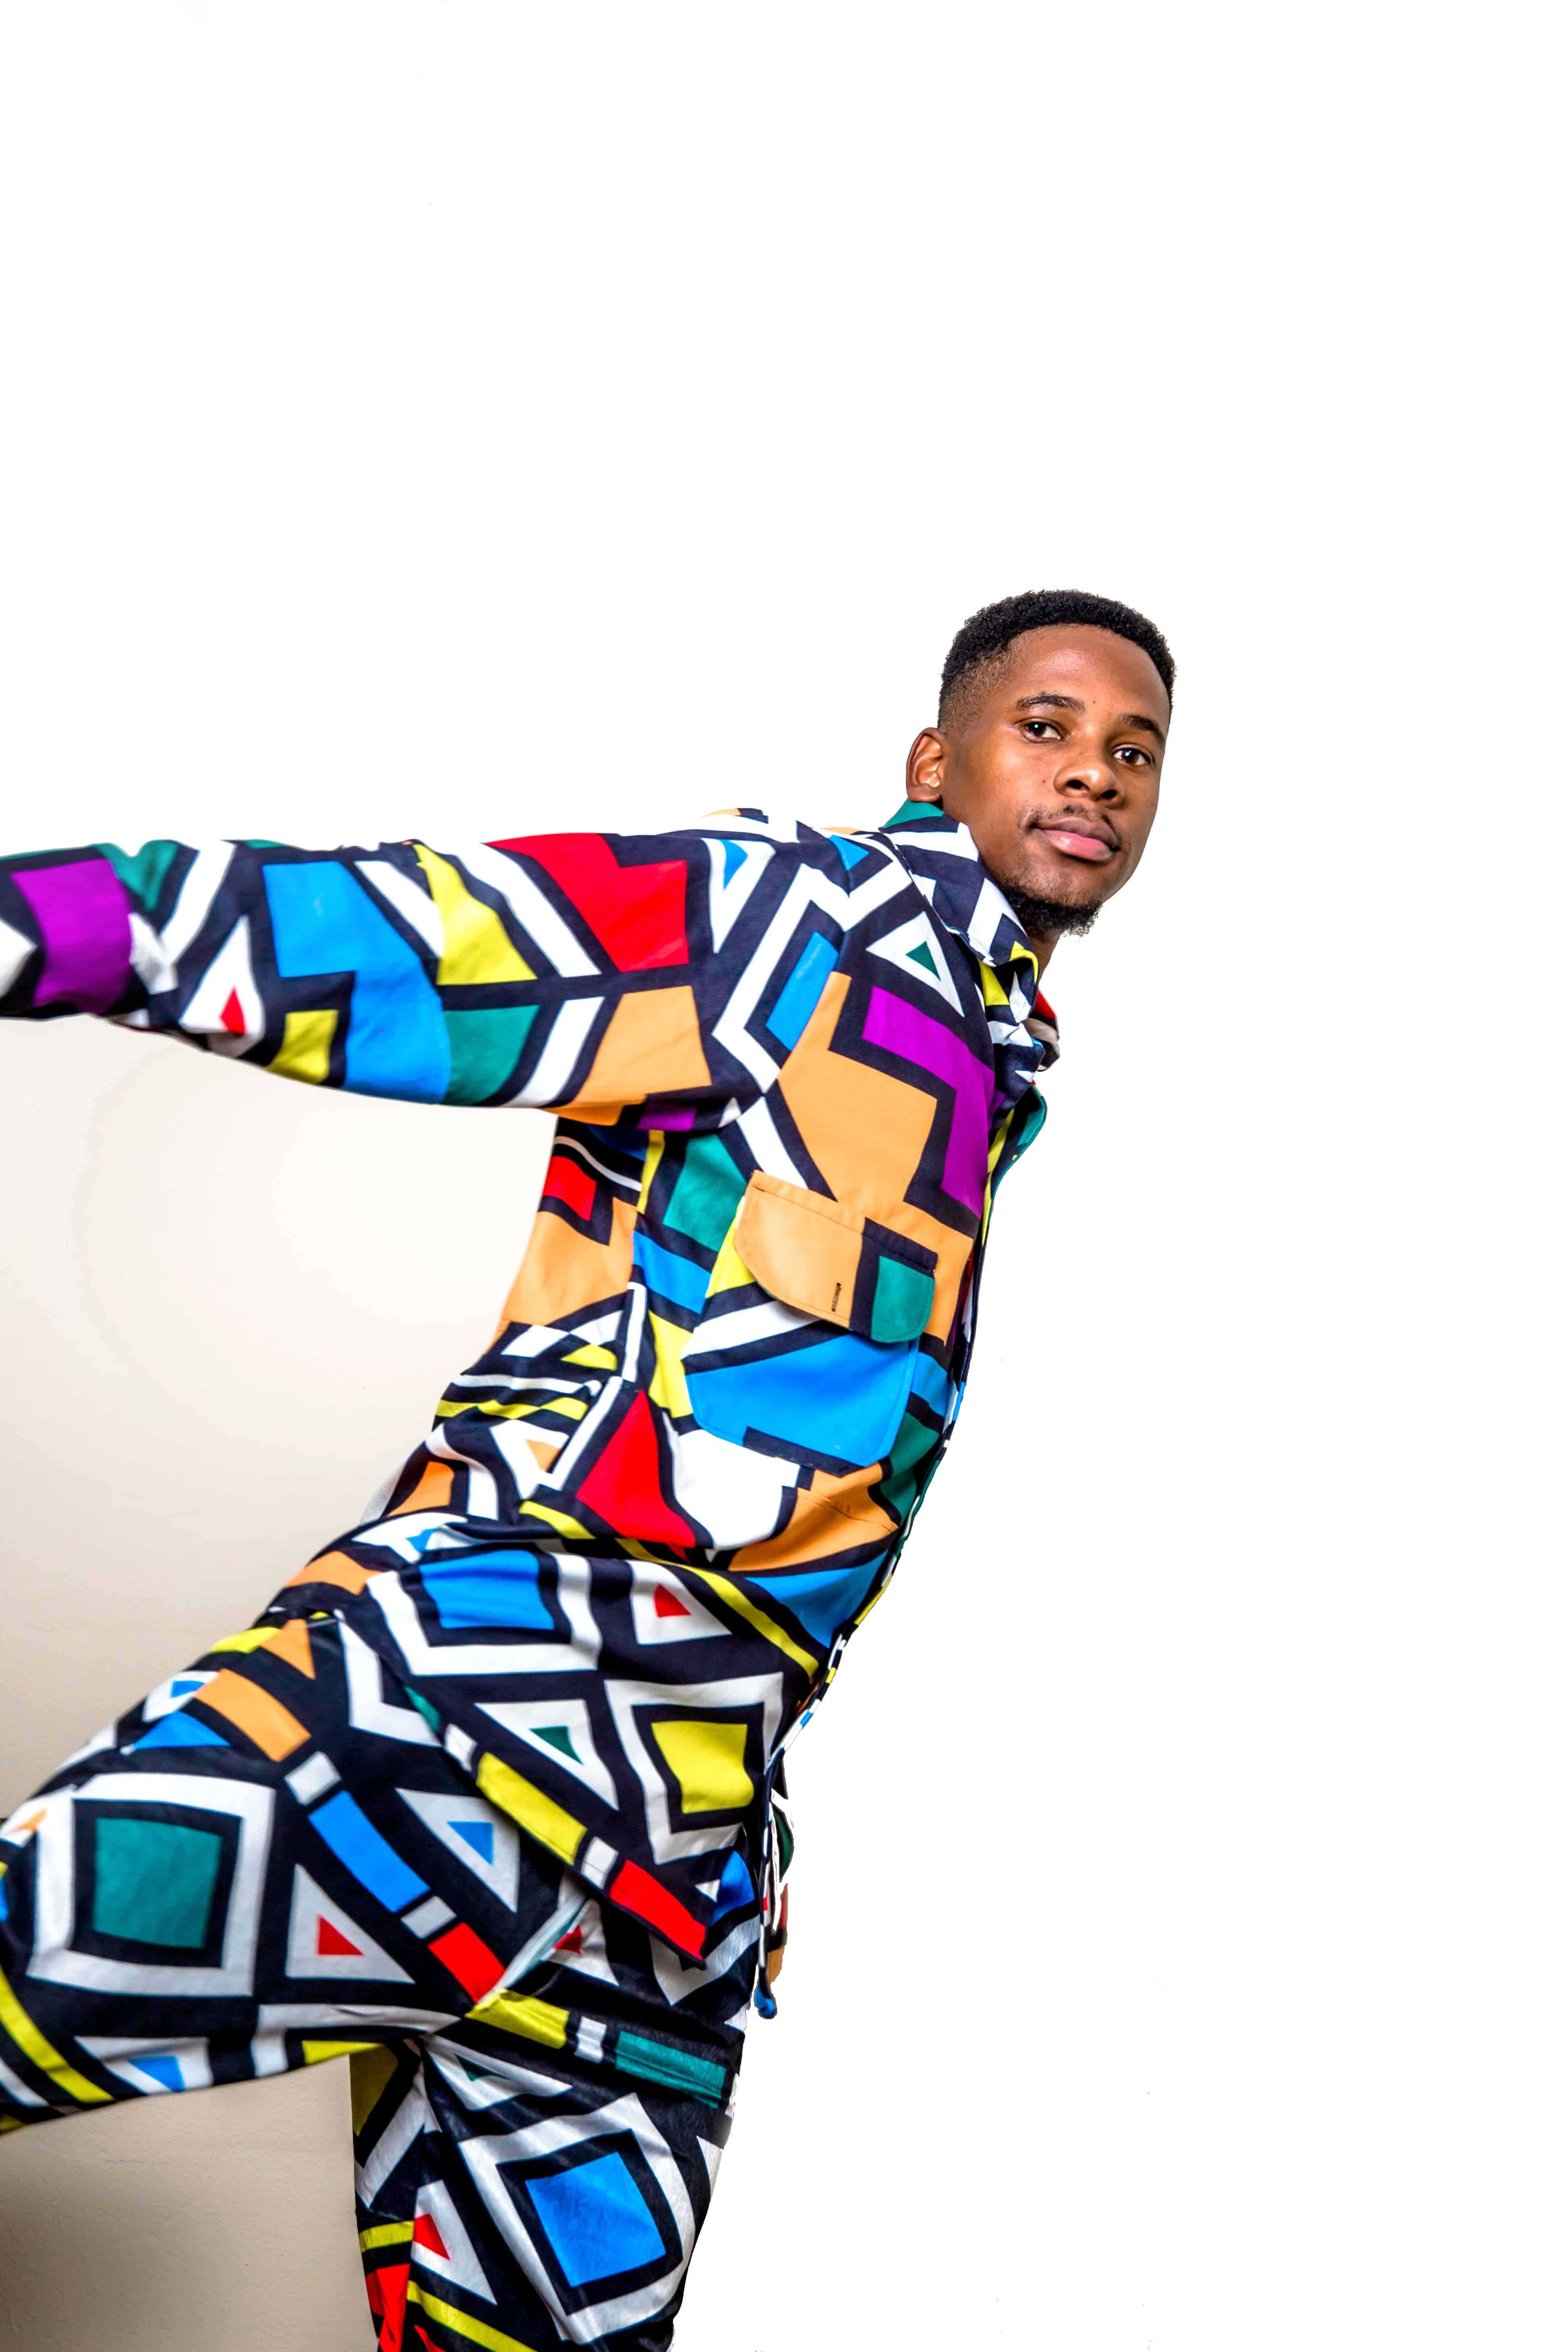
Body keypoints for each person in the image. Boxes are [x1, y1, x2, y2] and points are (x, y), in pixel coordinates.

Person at [0, 587, 1171, 2351]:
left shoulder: (988, 1057)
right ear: (936, 761)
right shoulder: (790, 918)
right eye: (1048, 727)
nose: (1093, 774)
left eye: (1134, 751)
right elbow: (403, 935)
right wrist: (42, 920)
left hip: (667, 1883)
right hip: (452, 1719)